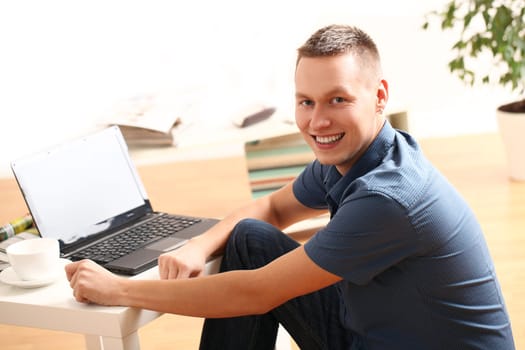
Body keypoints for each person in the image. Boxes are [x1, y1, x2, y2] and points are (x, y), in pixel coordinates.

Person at [66, 24, 515, 349]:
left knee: (252, 281)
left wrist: (116, 289)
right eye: (306, 101)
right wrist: (198, 246)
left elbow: (256, 292)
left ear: (380, 96)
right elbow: (271, 211)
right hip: (373, 330)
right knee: (249, 238)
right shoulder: (353, 155)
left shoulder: (388, 198)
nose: (317, 121)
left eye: (338, 99)